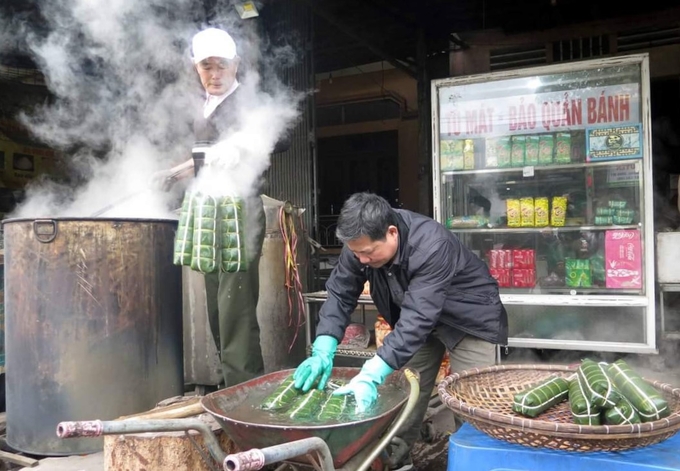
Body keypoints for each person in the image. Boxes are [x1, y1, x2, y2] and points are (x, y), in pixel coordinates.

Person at [293, 192, 508, 471]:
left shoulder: (431, 245)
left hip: (469, 318)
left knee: (471, 403)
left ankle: (474, 462)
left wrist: (371, 372)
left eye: (368, 253)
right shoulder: (359, 245)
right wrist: (324, 346)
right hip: (417, 317)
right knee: (403, 393)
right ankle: (396, 462)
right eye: (356, 253)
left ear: (392, 232)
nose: (362, 260)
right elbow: (341, 294)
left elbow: (419, 317)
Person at [156, 27, 288, 387]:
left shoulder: (250, 100)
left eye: (221, 66)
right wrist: (177, 170)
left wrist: (244, 145)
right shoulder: (203, 105)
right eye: (206, 67)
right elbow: (207, 156)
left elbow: (278, 134)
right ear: (196, 68)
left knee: (236, 307)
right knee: (215, 302)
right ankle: (230, 385)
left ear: (236, 65)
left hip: (239, 207)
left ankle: (243, 389)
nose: (214, 75)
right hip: (208, 206)